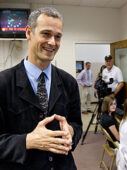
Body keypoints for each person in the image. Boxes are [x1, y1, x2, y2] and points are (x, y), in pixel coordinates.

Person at [0, 7, 82, 170]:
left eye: (57, 36)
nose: (52, 42)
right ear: (29, 33)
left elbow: (77, 123)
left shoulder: (69, 82)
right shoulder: (3, 83)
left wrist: (71, 131)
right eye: (46, 34)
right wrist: (27, 141)